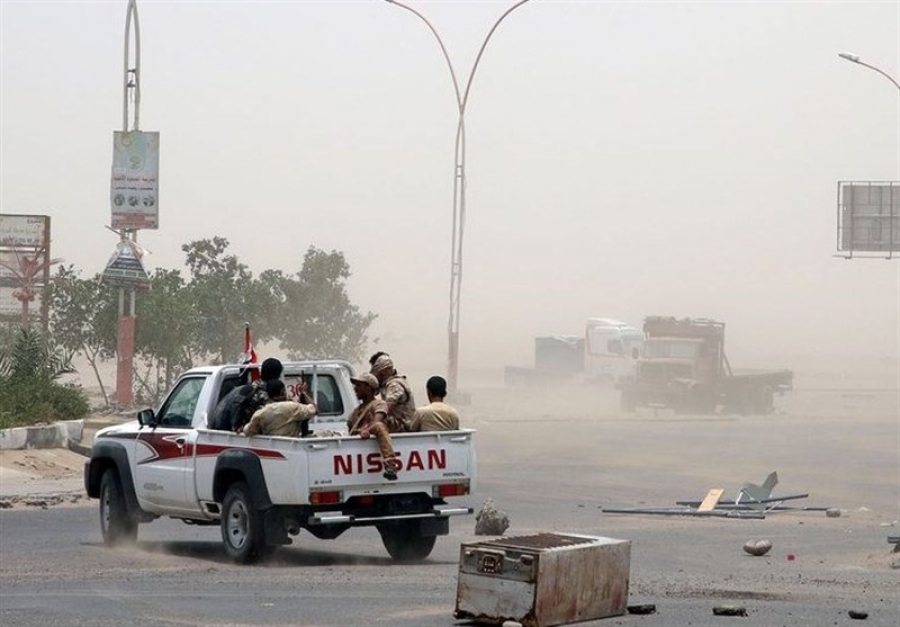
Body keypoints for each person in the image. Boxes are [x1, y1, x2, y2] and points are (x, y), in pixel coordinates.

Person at [208, 357, 283, 432]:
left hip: (223, 434)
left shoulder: (241, 389)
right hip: (241, 438)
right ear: (277, 377)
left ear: (261, 372)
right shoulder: (263, 396)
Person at [347, 373, 399, 481]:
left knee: (379, 426)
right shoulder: (355, 412)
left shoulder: (379, 404)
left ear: (369, 388)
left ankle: (391, 464)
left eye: (359, 385)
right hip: (356, 458)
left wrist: (367, 431)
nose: (355, 388)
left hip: (367, 450)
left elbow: (377, 422)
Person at [242, 379, 317, 438]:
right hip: (293, 444)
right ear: (282, 392)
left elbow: (248, 431)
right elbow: (314, 410)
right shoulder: (292, 407)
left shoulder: (261, 412)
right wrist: (303, 393)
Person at [369, 353, 415, 433]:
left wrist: (371, 426)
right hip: (401, 425)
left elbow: (385, 408)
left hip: (404, 426)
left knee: (377, 417)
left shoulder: (394, 385)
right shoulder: (389, 384)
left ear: (382, 373)